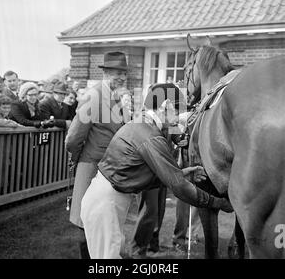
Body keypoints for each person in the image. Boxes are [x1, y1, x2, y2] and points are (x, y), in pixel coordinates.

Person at [80, 83, 233, 259]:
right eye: (177, 110)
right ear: (165, 105)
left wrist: (182, 174)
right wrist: (218, 203)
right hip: (105, 204)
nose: (180, 117)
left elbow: (141, 174)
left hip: (107, 199)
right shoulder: (150, 135)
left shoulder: (142, 124)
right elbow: (180, 188)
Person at [65, 51, 128, 259]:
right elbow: (73, 138)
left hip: (109, 171)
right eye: (116, 72)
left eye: (123, 73)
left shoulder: (117, 98)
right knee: (86, 223)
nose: (120, 77)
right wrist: (78, 159)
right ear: (105, 73)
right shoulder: (93, 96)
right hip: (91, 168)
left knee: (105, 223)